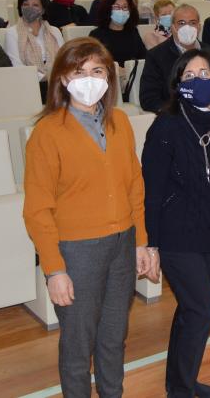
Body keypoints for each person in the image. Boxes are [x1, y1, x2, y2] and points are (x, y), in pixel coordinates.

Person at [23, 37, 151, 398]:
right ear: (63, 79)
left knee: (114, 337)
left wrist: (141, 240)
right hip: (76, 252)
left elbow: (134, 186)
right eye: (79, 72)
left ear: (109, 77)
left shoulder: (120, 122)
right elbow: (37, 209)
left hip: (122, 243)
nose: (90, 79)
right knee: (79, 345)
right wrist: (54, 268)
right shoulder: (47, 133)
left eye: (98, 71)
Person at [142, 48, 210, 398]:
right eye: (189, 76)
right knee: (201, 310)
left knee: (190, 310)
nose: (198, 81)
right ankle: (181, 390)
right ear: (177, 83)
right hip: (176, 235)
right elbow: (152, 190)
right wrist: (151, 243)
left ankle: (181, 381)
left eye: (205, 74)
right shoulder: (166, 125)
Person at [140, 4, 210, 112]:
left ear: (199, 26)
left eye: (192, 23)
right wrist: (179, 111)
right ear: (173, 27)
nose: (187, 27)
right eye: (181, 23)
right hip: (175, 116)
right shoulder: (156, 55)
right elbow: (148, 99)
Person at [4, 0, 65, 101]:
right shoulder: (12, 33)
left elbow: (63, 59)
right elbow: (16, 65)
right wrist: (44, 78)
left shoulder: (54, 31)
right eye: (25, 4)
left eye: (35, 5)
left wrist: (54, 77)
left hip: (56, 83)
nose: (29, 8)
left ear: (43, 9)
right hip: (27, 85)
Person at [89, 0, 147, 67]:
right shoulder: (96, 34)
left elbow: (143, 57)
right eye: (116, 7)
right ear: (108, 9)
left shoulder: (133, 32)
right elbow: (94, 62)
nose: (121, 10)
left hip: (132, 76)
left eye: (125, 7)